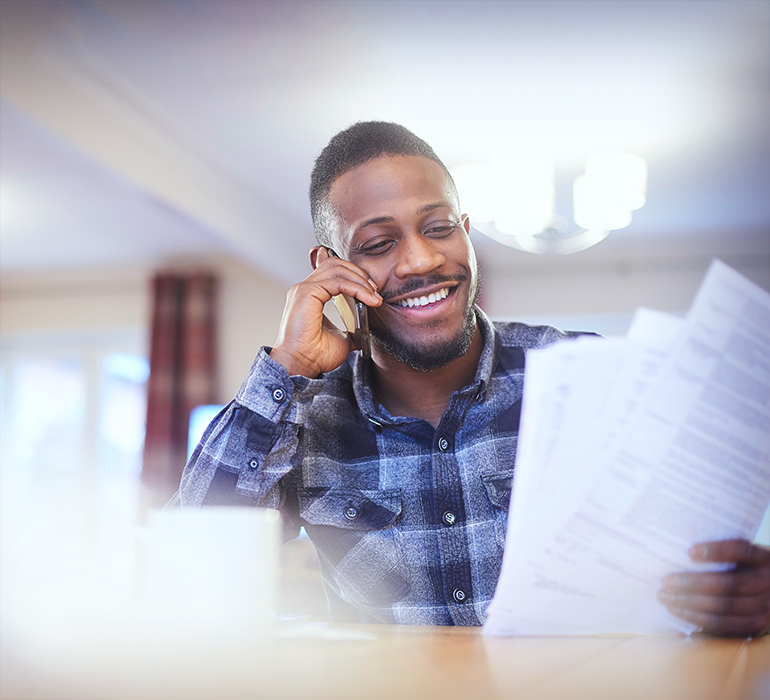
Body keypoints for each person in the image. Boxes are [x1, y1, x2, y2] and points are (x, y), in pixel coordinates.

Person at [178, 121, 770, 635]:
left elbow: (701, 557)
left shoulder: (590, 378)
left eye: (438, 229)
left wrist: (745, 592)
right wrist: (289, 369)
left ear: (464, 230)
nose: (421, 261)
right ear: (331, 268)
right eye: (380, 243)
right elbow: (192, 568)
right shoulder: (304, 420)